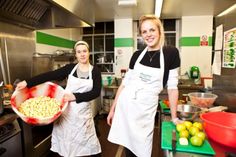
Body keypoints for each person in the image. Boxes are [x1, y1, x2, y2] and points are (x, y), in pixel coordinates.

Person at [107, 15, 181, 157]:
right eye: (144, 31)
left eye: (152, 30)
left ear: (159, 31)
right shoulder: (137, 55)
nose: (148, 35)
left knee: (142, 149)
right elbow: (124, 84)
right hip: (126, 108)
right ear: (141, 35)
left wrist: (174, 117)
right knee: (128, 148)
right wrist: (112, 109)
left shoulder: (171, 53)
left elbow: (172, 88)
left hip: (145, 112)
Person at [16, 40, 102, 157]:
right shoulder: (70, 68)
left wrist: (75, 96)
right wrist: (27, 82)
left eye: (84, 51)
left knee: (86, 146)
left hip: (83, 116)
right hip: (66, 114)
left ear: (89, 53)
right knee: (66, 146)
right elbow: (49, 75)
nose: (82, 54)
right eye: (79, 52)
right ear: (75, 54)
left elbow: (95, 92)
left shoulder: (95, 71)